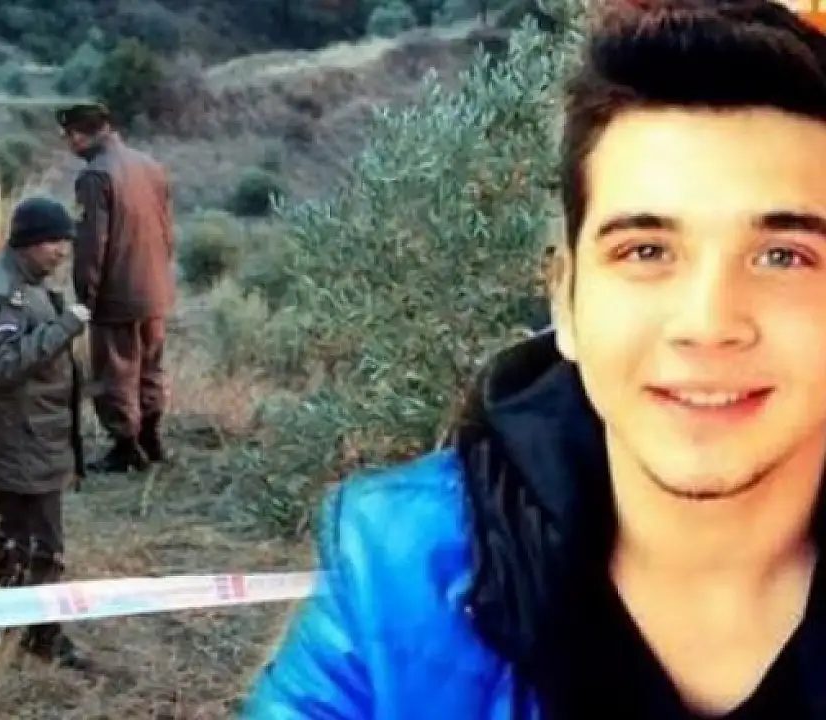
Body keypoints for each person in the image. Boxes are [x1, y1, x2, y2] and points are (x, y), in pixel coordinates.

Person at [244, 1, 826, 717]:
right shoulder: (401, 584)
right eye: (646, 251)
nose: (707, 324)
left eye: (784, 257)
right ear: (566, 303)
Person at [0, 195, 92, 670]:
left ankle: (16, 617)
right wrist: (64, 327)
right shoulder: (3, 295)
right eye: (53, 242)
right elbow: (1, 367)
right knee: (41, 541)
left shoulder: (24, 282)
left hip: (30, 433)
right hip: (20, 438)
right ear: (27, 242)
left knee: (20, 531)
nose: (62, 251)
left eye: (66, 242)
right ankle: (42, 636)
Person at [57, 102, 176, 473]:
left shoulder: (95, 177)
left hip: (117, 291)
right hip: (155, 287)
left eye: (68, 137)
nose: (68, 145)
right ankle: (151, 438)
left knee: (116, 372)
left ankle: (126, 447)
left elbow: (92, 245)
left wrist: (86, 295)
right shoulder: (150, 166)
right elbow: (167, 230)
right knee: (150, 366)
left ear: (79, 135)